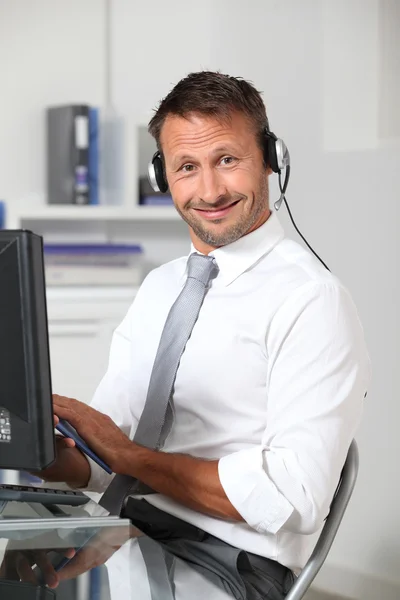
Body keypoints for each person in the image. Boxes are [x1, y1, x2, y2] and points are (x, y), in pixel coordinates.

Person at [34, 71, 371, 598]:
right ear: (162, 176)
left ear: (270, 159)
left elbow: (294, 498)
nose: (209, 190)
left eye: (228, 160)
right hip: (124, 533)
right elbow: (107, 465)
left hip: (229, 564)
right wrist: (38, 447)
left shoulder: (311, 299)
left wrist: (128, 458)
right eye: (187, 167)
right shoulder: (159, 287)